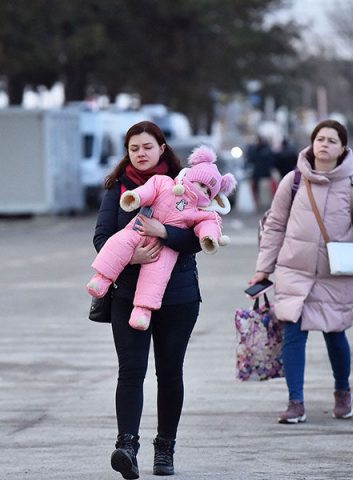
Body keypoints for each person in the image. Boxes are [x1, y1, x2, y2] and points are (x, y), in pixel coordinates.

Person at [247, 119, 353, 424]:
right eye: (320, 139)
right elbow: (274, 226)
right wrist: (263, 269)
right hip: (294, 271)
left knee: (335, 336)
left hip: (334, 275)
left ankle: (343, 391)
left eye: (332, 140)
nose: (324, 144)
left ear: (343, 149)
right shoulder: (293, 181)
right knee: (293, 334)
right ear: (312, 144)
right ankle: (295, 402)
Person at [93, 121, 203, 479]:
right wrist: (132, 257)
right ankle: (127, 447)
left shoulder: (186, 184)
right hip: (128, 295)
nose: (140, 153)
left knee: (169, 373)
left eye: (147, 147)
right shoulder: (118, 188)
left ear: (161, 148)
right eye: (134, 148)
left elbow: (199, 239)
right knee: (130, 371)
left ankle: (165, 448)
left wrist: (164, 232)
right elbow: (102, 237)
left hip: (178, 297)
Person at [87, 145, 236, 331]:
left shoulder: (202, 211)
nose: (203, 191)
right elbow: (148, 191)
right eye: (135, 148)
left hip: (164, 251)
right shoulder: (165, 183)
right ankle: (102, 278)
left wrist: (208, 237)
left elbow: (208, 225)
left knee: (156, 275)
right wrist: (135, 197)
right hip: (137, 231)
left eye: (208, 191)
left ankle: (143, 310)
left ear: (161, 149)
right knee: (118, 243)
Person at [245, 135, 275, 211]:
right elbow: (250, 159)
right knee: (256, 188)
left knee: (267, 188)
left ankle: (269, 203)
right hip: (258, 172)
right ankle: (257, 204)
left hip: (264, 172)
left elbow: (270, 160)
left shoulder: (266, 149)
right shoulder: (256, 149)